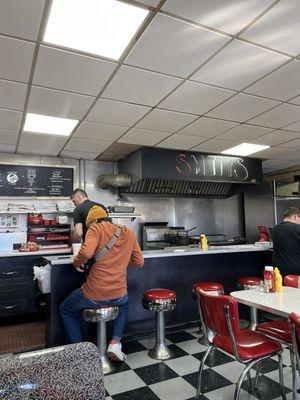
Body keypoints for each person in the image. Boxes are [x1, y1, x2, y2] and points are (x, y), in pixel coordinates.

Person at [60, 206, 144, 361]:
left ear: (91, 222)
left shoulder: (95, 228)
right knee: (124, 303)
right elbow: (139, 262)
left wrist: (76, 262)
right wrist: (120, 261)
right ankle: (115, 342)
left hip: (94, 294)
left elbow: (85, 253)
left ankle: (80, 350)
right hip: (118, 294)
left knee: (66, 309)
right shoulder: (128, 232)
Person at [272, 207, 300, 275]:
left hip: (279, 270)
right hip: (296, 271)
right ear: (295, 216)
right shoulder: (297, 228)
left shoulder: (275, 229)